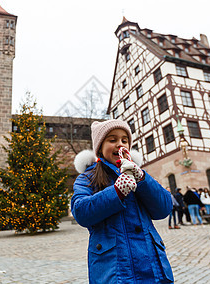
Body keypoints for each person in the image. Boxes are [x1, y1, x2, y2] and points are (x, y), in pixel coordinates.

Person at [71, 120, 174, 283]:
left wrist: (142, 179)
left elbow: (164, 208)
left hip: (153, 268)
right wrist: (116, 192)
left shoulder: (140, 174)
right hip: (114, 270)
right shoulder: (87, 178)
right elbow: (81, 212)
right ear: (99, 147)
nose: (120, 144)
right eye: (112, 140)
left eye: (124, 140)